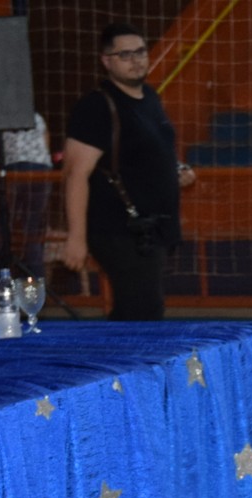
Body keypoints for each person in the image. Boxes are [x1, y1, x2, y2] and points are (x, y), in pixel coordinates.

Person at [61, 23, 198, 321]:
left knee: (138, 310)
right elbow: (75, 175)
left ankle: (117, 363)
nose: (136, 60)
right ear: (106, 60)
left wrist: (178, 170)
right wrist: (76, 238)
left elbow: (154, 153)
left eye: (140, 52)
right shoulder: (96, 106)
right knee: (142, 312)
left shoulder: (150, 97)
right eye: (125, 54)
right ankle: (116, 364)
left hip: (152, 230)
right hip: (117, 231)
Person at [0, 111, 54, 278]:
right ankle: (35, 291)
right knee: (32, 233)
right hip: (42, 172)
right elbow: (46, 144)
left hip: (16, 171)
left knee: (4, 232)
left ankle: (0, 286)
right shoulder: (36, 116)